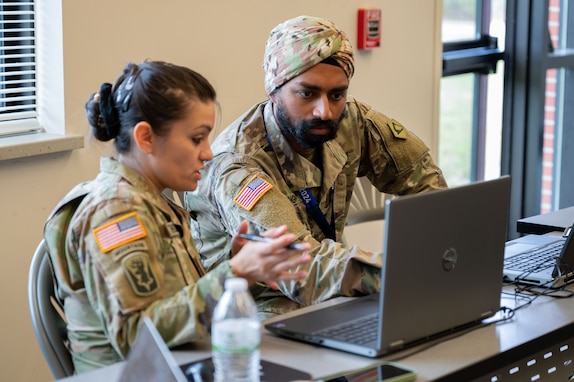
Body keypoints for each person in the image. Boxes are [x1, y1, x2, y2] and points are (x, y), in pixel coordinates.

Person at [42, 60, 313, 374]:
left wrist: (238, 268)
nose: (208, 153)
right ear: (145, 138)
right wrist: (235, 272)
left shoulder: (150, 200)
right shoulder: (115, 212)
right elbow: (139, 338)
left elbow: (178, 308)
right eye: (197, 139)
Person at [184, 15, 448, 316]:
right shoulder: (239, 165)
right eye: (307, 93)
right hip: (247, 309)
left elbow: (426, 183)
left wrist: (440, 253)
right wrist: (402, 275)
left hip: (323, 291)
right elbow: (296, 264)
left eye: (337, 94)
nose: (325, 111)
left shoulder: (352, 121)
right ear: (274, 90)